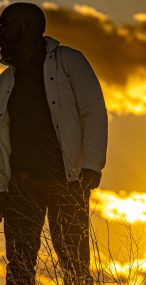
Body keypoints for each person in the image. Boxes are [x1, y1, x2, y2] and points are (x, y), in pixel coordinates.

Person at [0, 2, 108, 285]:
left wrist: (92, 167)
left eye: (5, 26)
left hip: (67, 182)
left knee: (75, 265)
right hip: (20, 188)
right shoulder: (6, 81)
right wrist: (1, 187)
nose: (0, 33)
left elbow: (93, 110)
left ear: (27, 28)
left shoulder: (70, 61)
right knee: (19, 267)